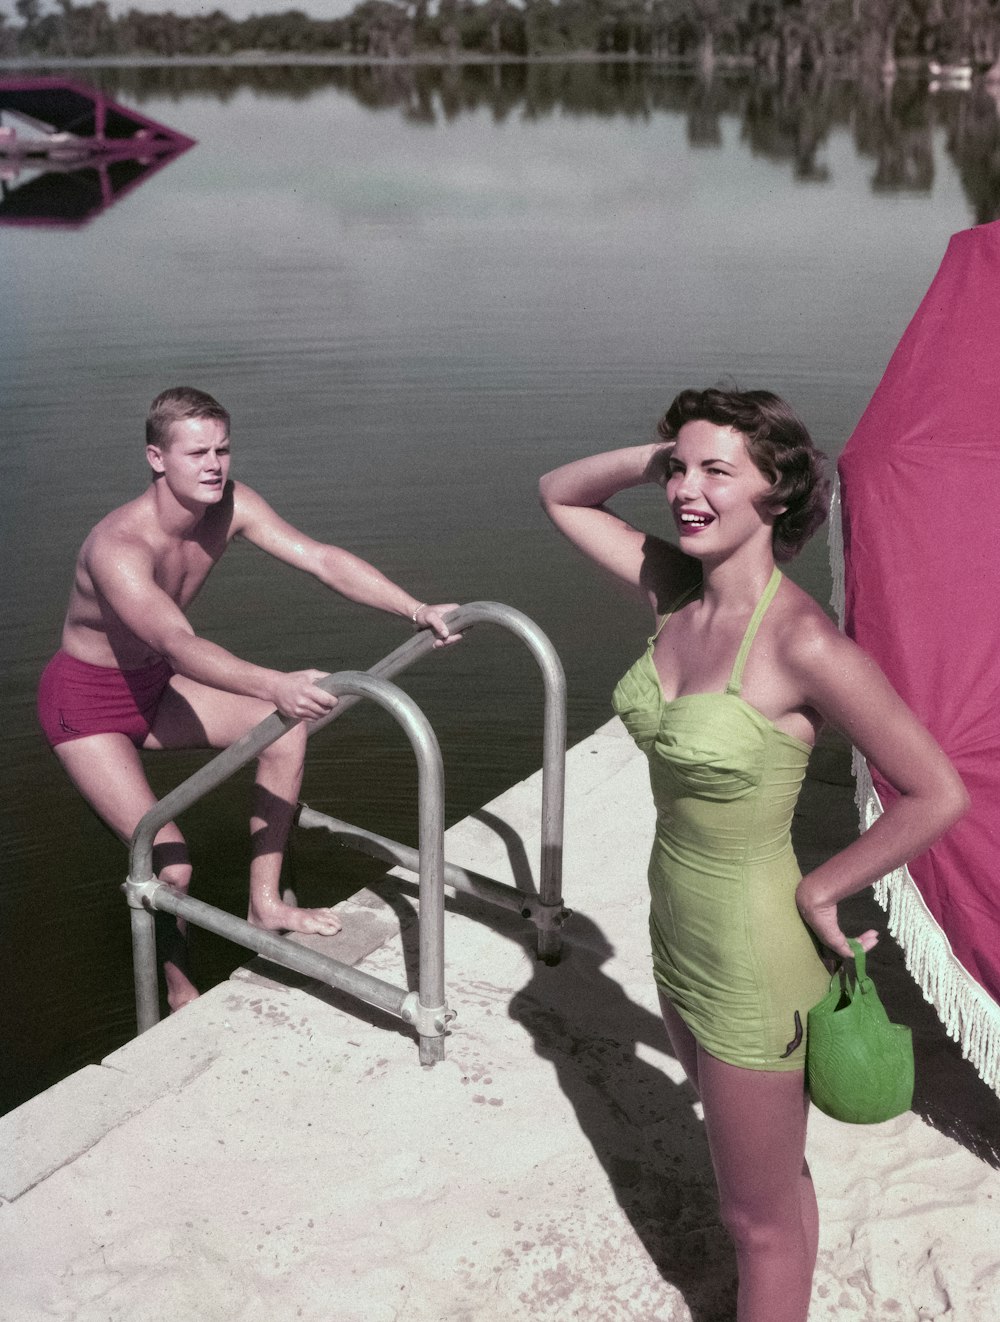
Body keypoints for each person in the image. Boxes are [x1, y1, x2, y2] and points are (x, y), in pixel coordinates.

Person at [538, 387, 967, 1322]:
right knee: (772, 1191)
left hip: (755, 956)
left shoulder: (805, 643)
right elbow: (561, 494)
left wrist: (825, 888)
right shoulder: (674, 590)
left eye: (716, 471)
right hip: (675, 928)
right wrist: (664, 458)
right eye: (678, 469)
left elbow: (938, 791)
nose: (687, 489)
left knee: (753, 1223)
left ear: (776, 493)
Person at [38, 386, 459, 1012]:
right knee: (171, 864)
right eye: (196, 453)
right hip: (87, 707)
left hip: (151, 687)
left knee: (283, 728)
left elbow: (321, 559)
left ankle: (266, 907)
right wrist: (275, 682)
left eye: (223, 449)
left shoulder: (231, 506)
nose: (214, 465)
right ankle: (179, 996)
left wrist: (416, 608)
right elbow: (176, 642)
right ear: (157, 458)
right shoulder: (118, 547)